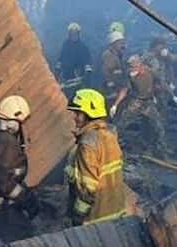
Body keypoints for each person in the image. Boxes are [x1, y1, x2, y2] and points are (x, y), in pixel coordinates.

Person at [0, 95, 40, 242]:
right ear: (14, 121)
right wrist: (27, 199)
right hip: (2, 208)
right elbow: (5, 182)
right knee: (23, 242)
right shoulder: (5, 142)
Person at [65, 89, 127, 225]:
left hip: (96, 219)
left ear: (89, 114)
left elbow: (88, 186)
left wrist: (78, 216)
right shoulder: (109, 135)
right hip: (116, 212)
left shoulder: (87, 143)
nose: (74, 117)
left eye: (77, 113)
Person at [111, 55, 166, 155]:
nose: (132, 68)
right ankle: (112, 145)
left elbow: (160, 82)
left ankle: (160, 149)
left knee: (158, 126)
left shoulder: (150, 71)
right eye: (130, 66)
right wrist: (115, 105)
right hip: (136, 101)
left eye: (134, 66)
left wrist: (158, 94)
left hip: (148, 102)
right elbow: (124, 89)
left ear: (140, 64)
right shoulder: (129, 74)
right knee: (122, 123)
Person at [101, 30, 128, 98]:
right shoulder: (108, 56)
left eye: (123, 43)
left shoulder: (119, 55)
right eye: (120, 43)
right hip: (112, 93)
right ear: (113, 44)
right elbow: (109, 74)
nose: (123, 45)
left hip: (120, 91)